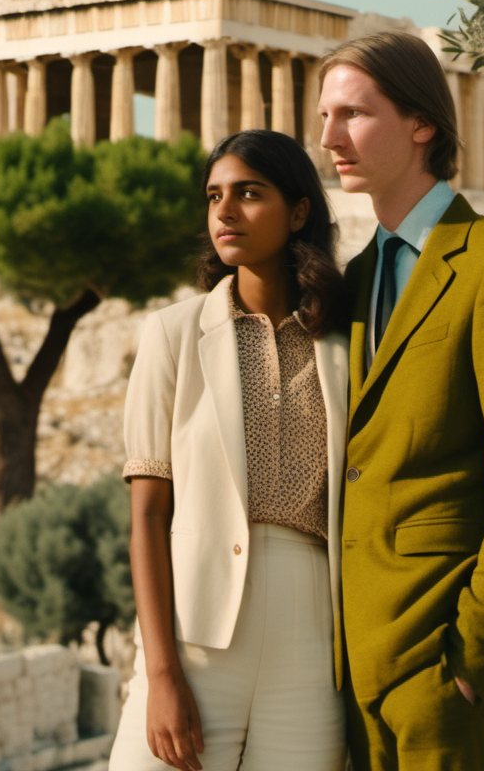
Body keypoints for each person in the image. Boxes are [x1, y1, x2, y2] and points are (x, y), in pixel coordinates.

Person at [317, 31, 484, 771]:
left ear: (422, 123)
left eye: (354, 114)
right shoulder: (357, 276)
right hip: (347, 670)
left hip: (440, 671)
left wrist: (472, 660)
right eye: (325, 116)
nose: (330, 136)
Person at [108, 129, 349, 771]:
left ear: (299, 211)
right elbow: (148, 516)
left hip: (312, 646)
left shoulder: (349, 343)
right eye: (214, 196)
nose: (225, 211)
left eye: (249, 193)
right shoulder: (172, 334)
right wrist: (161, 675)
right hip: (195, 638)